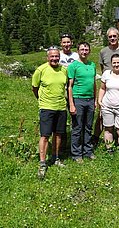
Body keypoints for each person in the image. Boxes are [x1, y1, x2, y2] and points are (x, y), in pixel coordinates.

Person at [32, 46, 67, 179]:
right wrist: (41, 100)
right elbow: (34, 88)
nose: (54, 58)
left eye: (56, 56)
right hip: (46, 107)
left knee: (58, 134)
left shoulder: (64, 70)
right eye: (52, 56)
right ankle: (42, 162)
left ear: (59, 57)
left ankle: (55, 158)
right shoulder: (41, 70)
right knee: (45, 135)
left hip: (61, 107)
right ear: (47, 57)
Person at [94, 27, 119, 147]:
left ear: (118, 36)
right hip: (108, 87)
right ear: (107, 38)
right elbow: (102, 68)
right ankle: (96, 138)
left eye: (114, 36)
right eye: (110, 37)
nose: (112, 38)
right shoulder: (103, 51)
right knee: (102, 117)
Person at [98, 54, 119, 154]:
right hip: (107, 106)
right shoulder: (106, 74)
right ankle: (109, 150)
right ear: (111, 63)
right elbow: (102, 88)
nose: (116, 65)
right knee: (108, 128)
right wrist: (100, 101)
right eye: (114, 63)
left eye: (118, 62)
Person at [68, 42, 96, 163]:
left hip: (90, 100)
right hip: (78, 99)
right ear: (78, 51)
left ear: (89, 51)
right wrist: (71, 104)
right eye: (82, 49)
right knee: (77, 127)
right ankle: (76, 153)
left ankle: (88, 151)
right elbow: (70, 86)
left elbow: (94, 83)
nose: (84, 52)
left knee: (88, 127)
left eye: (86, 49)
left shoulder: (92, 65)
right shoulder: (73, 66)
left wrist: (95, 100)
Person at [58, 33, 79, 154]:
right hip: (60, 89)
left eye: (68, 42)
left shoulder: (76, 56)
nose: (66, 44)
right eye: (64, 42)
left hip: (74, 89)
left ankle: (75, 143)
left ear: (72, 43)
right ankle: (62, 145)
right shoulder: (58, 55)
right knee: (61, 117)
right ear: (61, 43)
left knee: (75, 116)